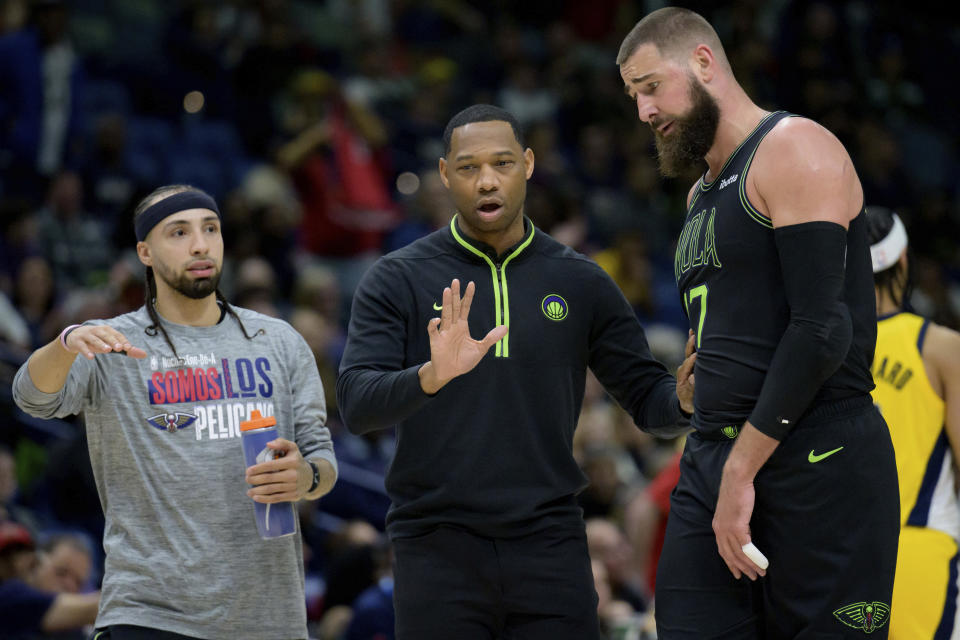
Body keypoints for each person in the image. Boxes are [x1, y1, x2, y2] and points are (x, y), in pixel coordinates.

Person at [336, 103, 695, 640]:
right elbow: (357, 404)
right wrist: (429, 376)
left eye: (502, 164)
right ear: (443, 174)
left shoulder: (581, 282)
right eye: (468, 167)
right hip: (436, 546)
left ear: (527, 164)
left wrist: (686, 401)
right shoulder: (397, 278)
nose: (487, 181)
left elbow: (648, 401)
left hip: (549, 544)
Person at [616, 8, 899, 639]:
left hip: (817, 451)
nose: (644, 112)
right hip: (713, 454)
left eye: (651, 86)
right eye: (634, 97)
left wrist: (743, 470)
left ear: (704, 63)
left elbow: (822, 329)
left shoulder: (795, 147)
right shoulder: (698, 196)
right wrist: (696, 384)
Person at [11, 184, 338, 640]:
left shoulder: (278, 340)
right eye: (179, 232)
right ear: (145, 251)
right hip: (149, 612)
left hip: (267, 615)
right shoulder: (111, 341)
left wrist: (306, 477)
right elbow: (30, 396)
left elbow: (322, 455)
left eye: (210, 229)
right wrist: (65, 344)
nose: (200, 244)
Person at [866, 206, 960, 639]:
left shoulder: (820, 354)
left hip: (842, 558)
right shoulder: (939, 346)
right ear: (903, 260)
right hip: (923, 546)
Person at [0, 520, 100, 638]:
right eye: (61, 572)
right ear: (36, 563)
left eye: (78, 582)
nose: (69, 585)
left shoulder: (73, 631)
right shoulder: (12, 595)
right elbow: (94, 609)